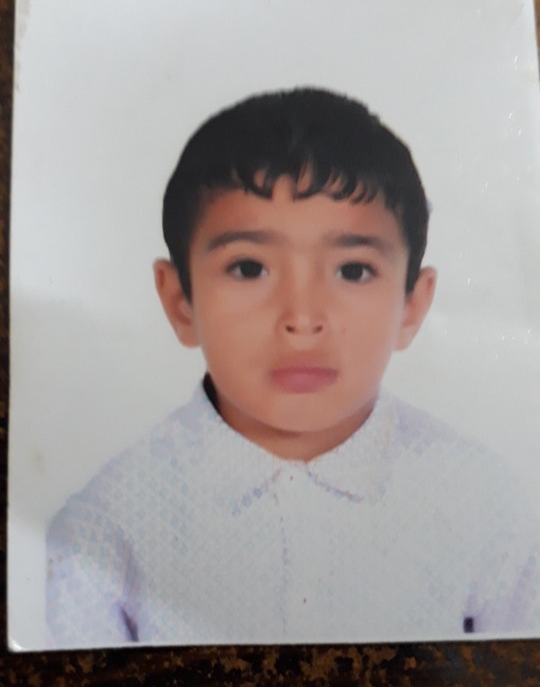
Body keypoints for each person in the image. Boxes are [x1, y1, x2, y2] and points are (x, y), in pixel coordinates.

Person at [46, 87, 539, 648]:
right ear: (180, 301)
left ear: (412, 305)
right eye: (249, 267)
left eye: (353, 271)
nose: (302, 319)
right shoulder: (105, 529)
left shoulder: (487, 504)